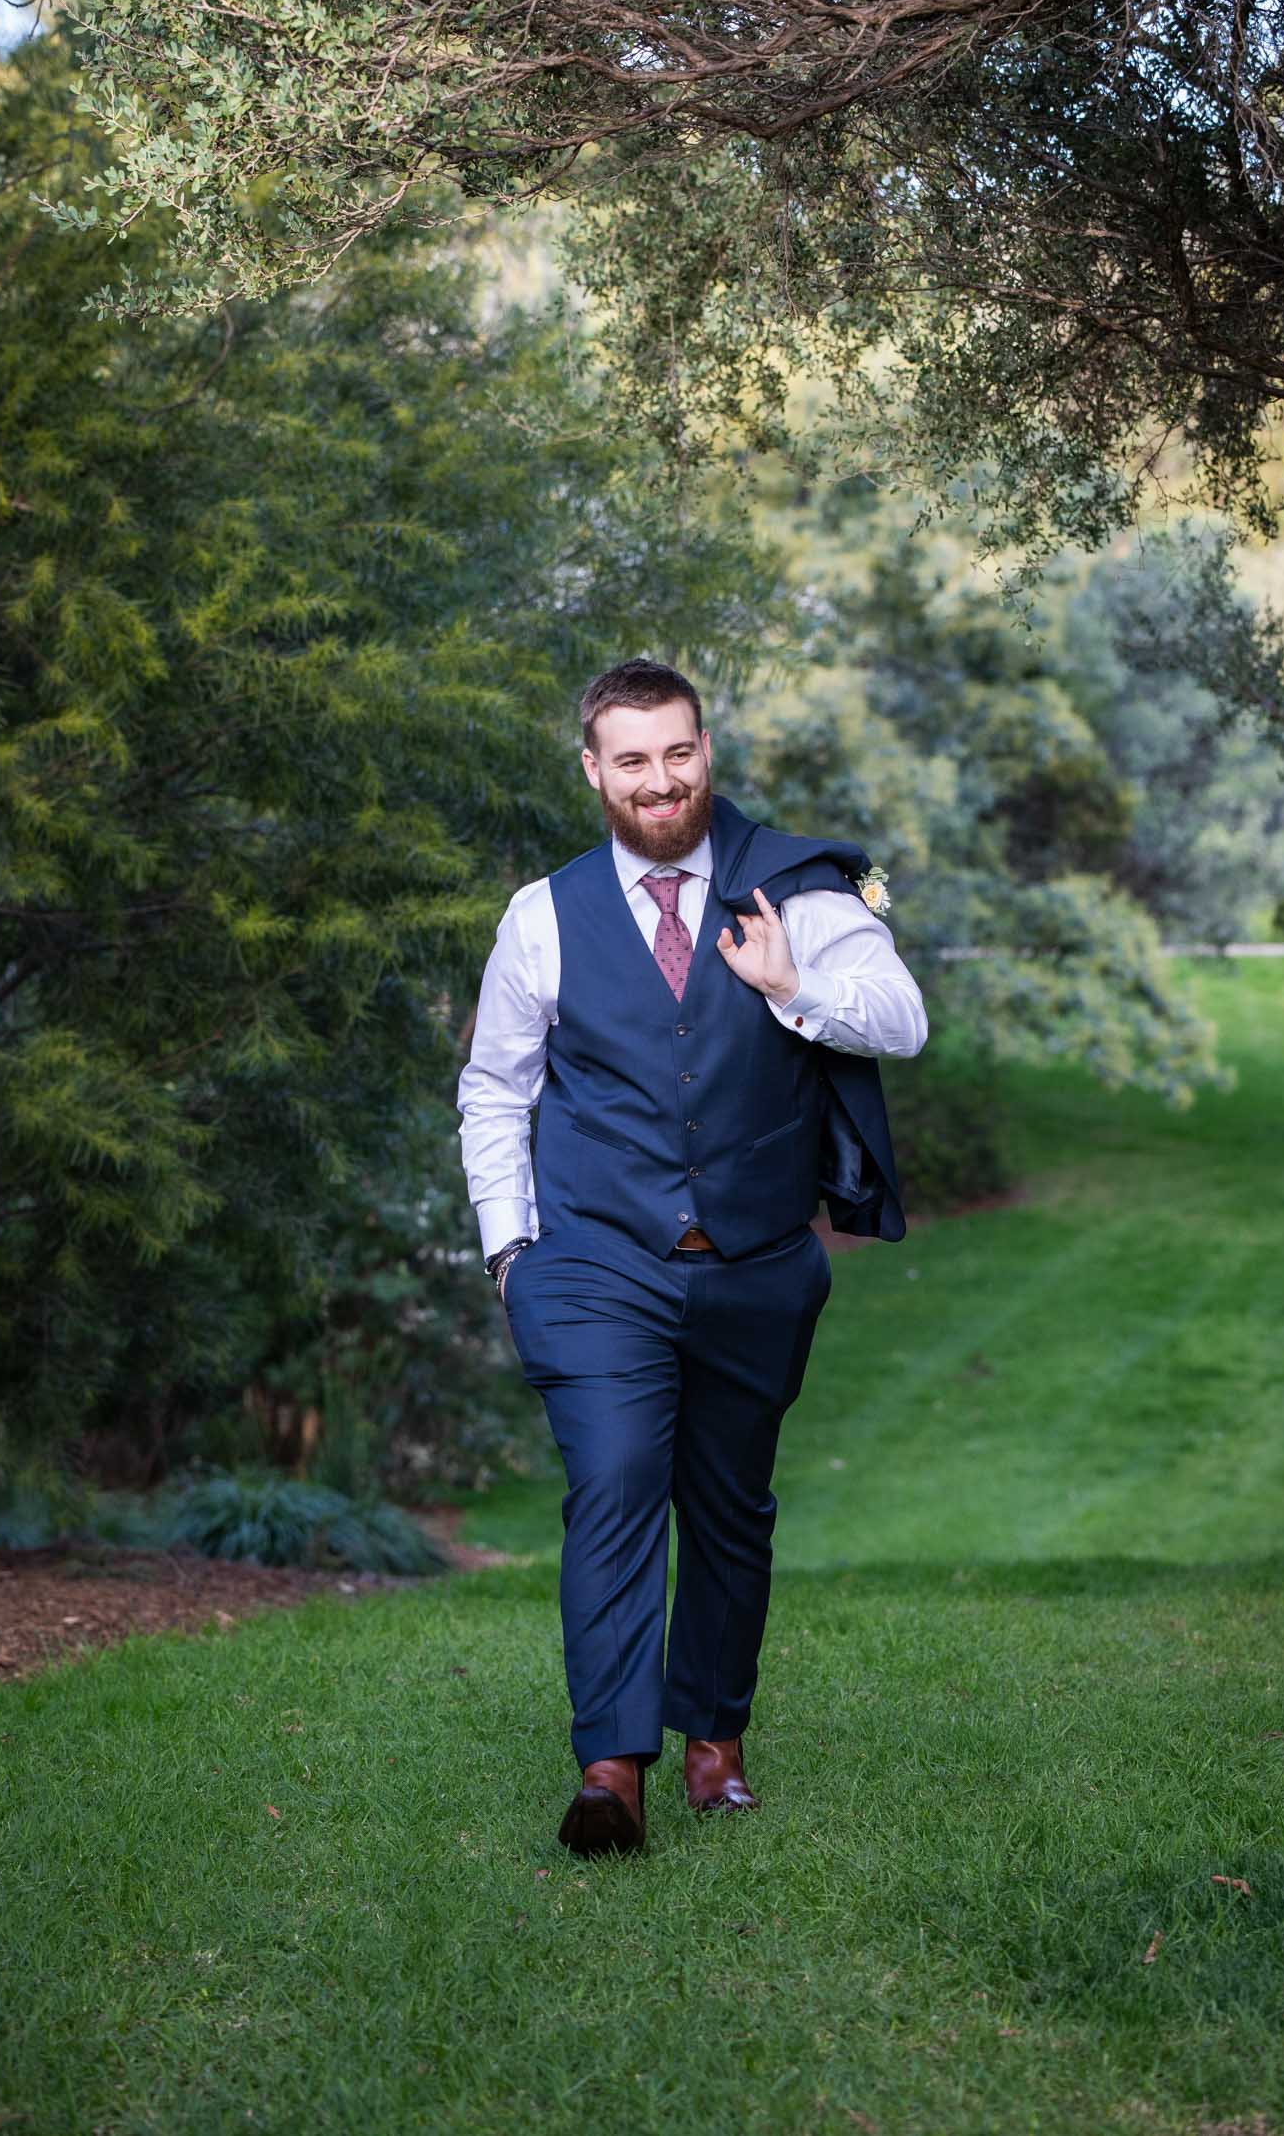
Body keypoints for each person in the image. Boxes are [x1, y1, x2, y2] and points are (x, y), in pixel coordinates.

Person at [456, 657, 928, 1856]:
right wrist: (510, 1248)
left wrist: (796, 985)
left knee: (728, 1508)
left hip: (758, 1264)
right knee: (614, 1481)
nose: (659, 781)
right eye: (633, 760)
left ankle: (715, 1741)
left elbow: (903, 1021)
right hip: (594, 1264)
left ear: (706, 749)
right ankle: (611, 1767)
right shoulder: (539, 915)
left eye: (679, 753)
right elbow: (495, 1091)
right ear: (594, 771)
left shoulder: (798, 893)